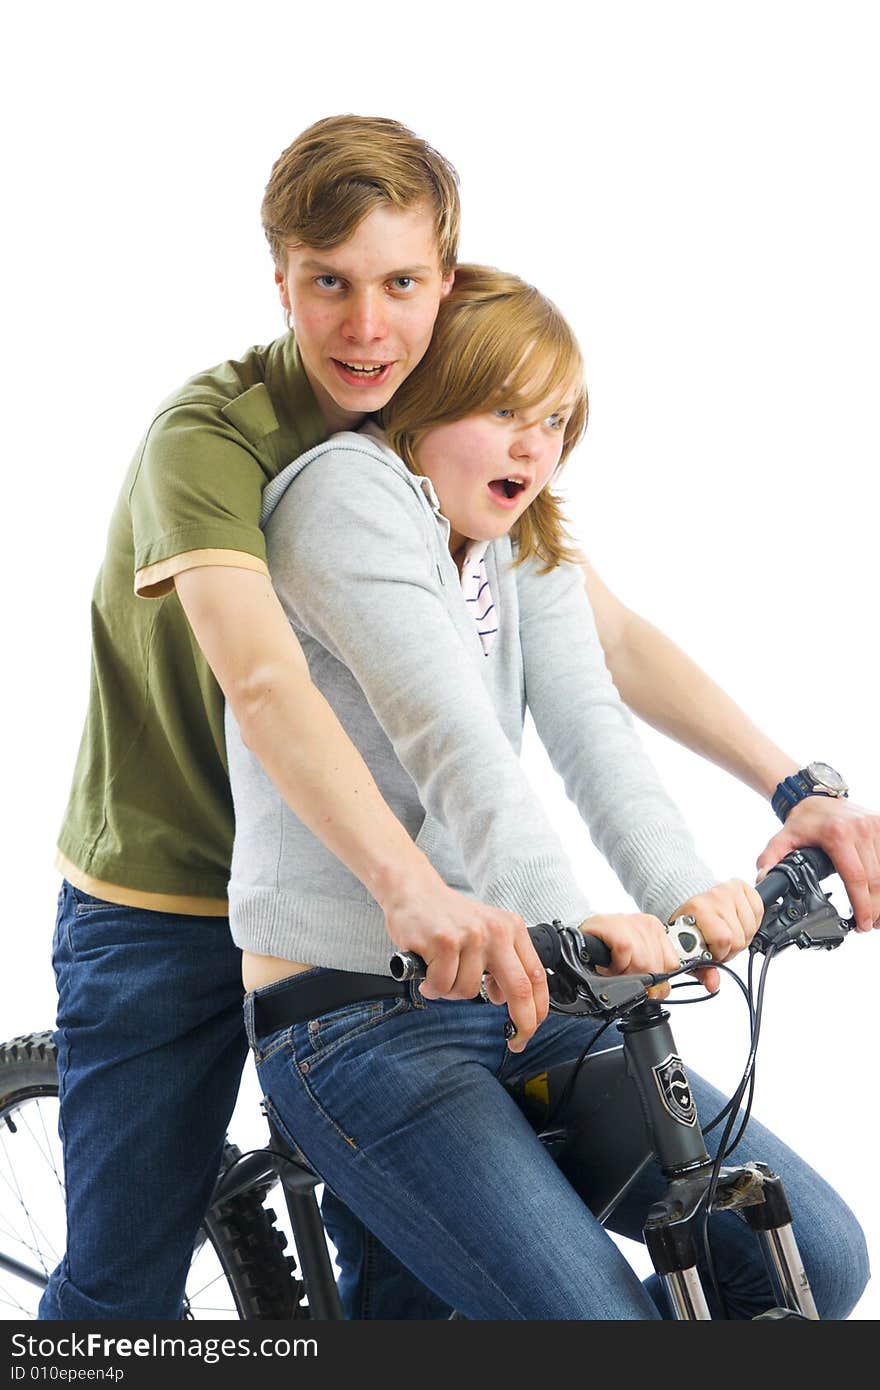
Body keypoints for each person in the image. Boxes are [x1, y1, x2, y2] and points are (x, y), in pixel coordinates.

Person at [44, 112, 877, 1320]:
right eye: (328, 282)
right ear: (278, 275)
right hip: (183, 895)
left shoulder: (473, 471)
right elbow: (279, 683)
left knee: (424, 1290)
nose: (365, 326)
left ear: (445, 281)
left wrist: (790, 791)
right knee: (122, 1299)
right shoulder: (230, 446)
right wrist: (458, 893)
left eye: (399, 283)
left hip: (431, 928)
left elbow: (603, 656)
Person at [228, 265, 869, 1319]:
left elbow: (593, 731)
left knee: (818, 1255)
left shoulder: (517, 539)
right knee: (594, 1326)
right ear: (423, 395)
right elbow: (455, 742)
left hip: (522, 992)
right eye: (504, 411)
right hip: (354, 1017)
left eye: (557, 419)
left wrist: (688, 893)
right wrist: (569, 918)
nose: (537, 445)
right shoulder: (345, 497)